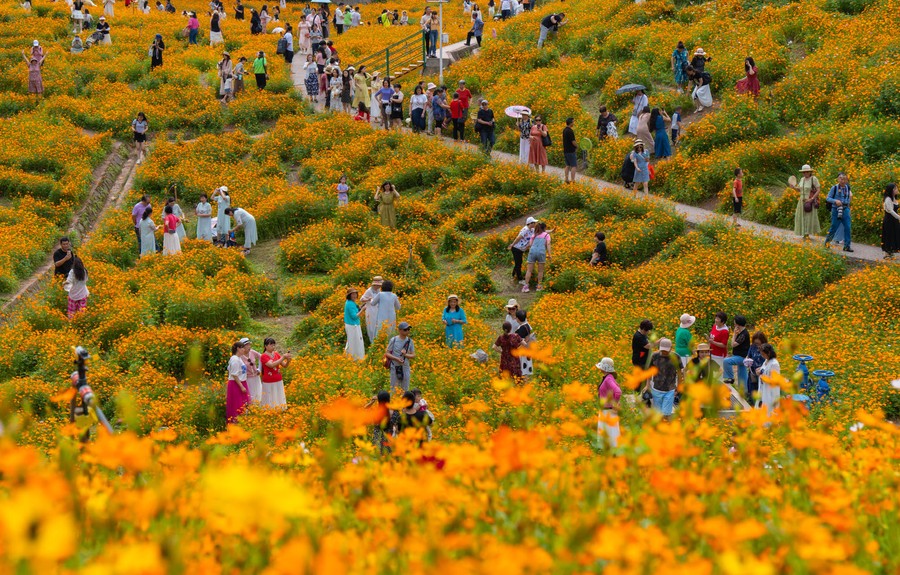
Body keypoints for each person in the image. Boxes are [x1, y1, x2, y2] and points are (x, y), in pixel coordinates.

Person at [647, 338, 677, 419]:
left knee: (666, 413)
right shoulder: (654, 356)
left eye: (666, 350)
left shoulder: (676, 357)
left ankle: (665, 427)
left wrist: (679, 387)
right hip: (656, 388)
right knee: (658, 413)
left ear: (671, 348)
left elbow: (680, 372)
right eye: (662, 350)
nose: (664, 352)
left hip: (670, 389)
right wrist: (647, 385)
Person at [595, 357, 621, 448]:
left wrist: (615, 403)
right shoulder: (607, 377)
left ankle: (611, 452)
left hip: (608, 410)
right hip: (606, 409)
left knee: (610, 432)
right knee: (609, 432)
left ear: (604, 368)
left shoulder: (608, 379)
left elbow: (618, 391)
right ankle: (608, 450)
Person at [824, 172, 853, 252]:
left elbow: (848, 199)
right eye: (841, 178)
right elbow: (828, 198)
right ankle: (827, 243)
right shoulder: (835, 188)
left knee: (847, 227)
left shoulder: (847, 188)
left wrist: (849, 208)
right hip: (836, 209)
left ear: (847, 180)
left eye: (844, 179)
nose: (842, 181)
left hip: (845, 209)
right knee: (834, 227)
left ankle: (847, 246)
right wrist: (835, 200)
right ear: (838, 179)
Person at [791, 164, 821, 239]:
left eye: (807, 172)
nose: (805, 173)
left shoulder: (813, 179)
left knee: (809, 217)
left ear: (810, 172)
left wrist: (812, 198)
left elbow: (818, 190)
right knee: (802, 216)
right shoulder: (802, 179)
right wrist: (794, 188)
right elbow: (800, 190)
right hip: (802, 200)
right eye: (804, 172)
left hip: (809, 200)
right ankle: (804, 233)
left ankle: (807, 233)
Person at [259, 338, 289, 409]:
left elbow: (284, 365)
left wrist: (288, 360)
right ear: (265, 346)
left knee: (278, 396)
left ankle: (280, 410)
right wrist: (283, 357)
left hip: (278, 379)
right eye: (271, 345)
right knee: (269, 397)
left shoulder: (276, 354)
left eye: (274, 345)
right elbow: (271, 365)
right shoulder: (263, 356)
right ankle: (270, 412)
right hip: (268, 381)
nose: (273, 346)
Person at [721, 315, 750, 388]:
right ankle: (745, 392)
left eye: (734, 324)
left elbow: (733, 344)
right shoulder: (742, 332)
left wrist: (734, 334)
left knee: (726, 361)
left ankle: (730, 378)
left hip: (741, 357)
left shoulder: (743, 334)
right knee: (742, 376)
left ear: (738, 324)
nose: (734, 325)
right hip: (740, 356)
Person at [386, 322, 415, 392]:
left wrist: (405, 355)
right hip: (395, 367)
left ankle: (404, 402)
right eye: (405, 330)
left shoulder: (410, 341)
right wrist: (396, 359)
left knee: (405, 389)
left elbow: (413, 355)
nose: (407, 331)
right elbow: (387, 353)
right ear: (400, 330)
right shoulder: (394, 340)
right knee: (393, 388)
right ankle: (394, 402)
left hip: (405, 367)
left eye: (408, 329)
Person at [226, 340, 250, 422]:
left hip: (241, 382)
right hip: (236, 384)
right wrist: (241, 386)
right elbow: (234, 374)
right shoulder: (235, 359)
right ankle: (235, 422)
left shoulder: (239, 358)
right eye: (242, 348)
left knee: (242, 404)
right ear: (238, 349)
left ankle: (241, 422)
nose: (244, 349)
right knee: (237, 404)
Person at [522, 222, 550, 292]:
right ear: (544, 228)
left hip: (532, 251)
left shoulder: (534, 235)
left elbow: (530, 244)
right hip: (541, 252)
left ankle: (526, 286)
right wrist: (550, 254)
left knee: (529, 270)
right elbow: (548, 244)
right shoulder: (546, 235)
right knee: (540, 271)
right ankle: (539, 286)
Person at [510, 216, 537, 284]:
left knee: (518, 262)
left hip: (521, 249)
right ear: (530, 223)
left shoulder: (532, 230)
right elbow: (518, 238)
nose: (535, 224)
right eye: (534, 222)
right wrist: (512, 245)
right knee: (519, 263)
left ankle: (514, 274)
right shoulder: (525, 229)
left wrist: (551, 231)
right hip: (516, 248)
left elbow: (541, 232)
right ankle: (520, 279)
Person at [755, 343, 781, 414]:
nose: (762, 356)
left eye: (763, 354)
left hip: (770, 391)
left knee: (769, 410)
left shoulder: (774, 364)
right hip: (763, 389)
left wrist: (764, 378)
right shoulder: (766, 360)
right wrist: (759, 371)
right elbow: (764, 370)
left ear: (768, 353)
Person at [344, 288, 367, 360]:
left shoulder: (350, 302)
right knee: (356, 342)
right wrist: (362, 310)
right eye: (352, 294)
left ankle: (348, 356)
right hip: (353, 325)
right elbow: (354, 316)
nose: (354, 296)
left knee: (351, 341)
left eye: (355, 294)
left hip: (351, 324)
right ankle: (356, 358)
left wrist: (360, 307)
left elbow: (355, 310)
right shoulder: (350, 304)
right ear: (349, 295)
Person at [743, 331, 767, 400]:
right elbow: (748, 356)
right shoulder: (752, 347)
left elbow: (770, 359)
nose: (757, 345)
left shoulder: (767, 348)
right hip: (753, 372)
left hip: (763, 372)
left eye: (758, 343)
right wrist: (746, 361)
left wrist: (762, 368)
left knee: (762, 390)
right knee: (752, 389)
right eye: (755, 343)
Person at [360, 276, 383, 342]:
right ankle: (372, 341)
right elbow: (361, 299)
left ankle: (377, 340)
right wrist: (368, 299)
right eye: (379, 285)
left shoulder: (378, 290)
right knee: (371, 325)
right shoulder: (369, 290)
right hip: (370, 310)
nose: (380, 287)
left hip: (377, 310)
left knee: (377, 325)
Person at [883, 183, 900, 259]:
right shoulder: (888, 199)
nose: (897, 190)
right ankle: (887, 253)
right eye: (896, 189)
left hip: (894, 220)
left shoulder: (893, 198)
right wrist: (899, 217)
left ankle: (891, 251)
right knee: (888, 235)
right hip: (889, 220)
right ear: (892, 190)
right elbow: (890, 211)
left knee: (894, 235)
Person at [242, 338, 262, 403]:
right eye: (247, 345)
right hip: (247, 378)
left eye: (249, 345)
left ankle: (259, 407)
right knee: (250, 394)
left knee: (258, 392)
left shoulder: (252, 352)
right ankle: (251, 409)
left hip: (256, 377)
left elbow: (261, 357)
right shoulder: (240, 356)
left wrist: (259, 369)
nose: (249, 346)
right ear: (242, 347)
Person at [562, 117, 577, 183]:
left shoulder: (564, 130)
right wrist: (577, 146)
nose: (574, 123)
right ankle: (573, 180)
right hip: (571, 151)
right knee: (574, 166)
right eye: (573, 122)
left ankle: (566, 178)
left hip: (566, 150)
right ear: (570, 123)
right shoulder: (570, 131)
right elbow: (573, 141)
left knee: (567, 165)